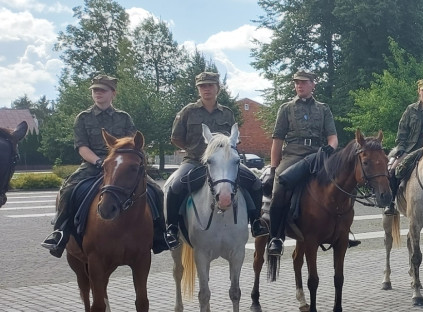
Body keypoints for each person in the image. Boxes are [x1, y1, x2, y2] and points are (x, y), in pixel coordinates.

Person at [41, 75, 172, 257]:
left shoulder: (123, 117)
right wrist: (98, 161)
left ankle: (160, 234)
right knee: (68, 189)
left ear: (113, 93)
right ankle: (60, 233)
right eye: (95, 90)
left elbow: (134, 144)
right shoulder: (83, 118)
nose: (98, 93)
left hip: (122, 166)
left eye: (102, 90)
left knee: (155, 190)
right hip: (93, 164)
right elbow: (82, 147)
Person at [164, 72, 268, 246]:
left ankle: (256, 222)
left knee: (255, 183)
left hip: (224, 164)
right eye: (202, 86)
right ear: (198, 89)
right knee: (175, 187)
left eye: (210, 85)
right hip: (195, 162)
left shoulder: (227, 113)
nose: (207, 89)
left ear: (217, 88)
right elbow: (176, 137)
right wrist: (192, 150)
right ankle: (172, 228)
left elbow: (233, 139)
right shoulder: (188, 111)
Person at [266, 70, 339, 256]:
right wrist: (274, 168)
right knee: (280, 188)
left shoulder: (323, 109)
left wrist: (330, 148)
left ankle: (342, 230)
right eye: (297, 82)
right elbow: (277, 141)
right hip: (292, 155)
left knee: (341, 184)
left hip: (318, 155)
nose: (300, 85)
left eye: (304, 82)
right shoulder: (286, 108)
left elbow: (333, 137)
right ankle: (276, 237)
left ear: (313, 85)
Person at [384, 78, 423, 216]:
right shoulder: (410, 110)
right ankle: (391, 203)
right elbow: (402, 132)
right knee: (393, 170)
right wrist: (400, 147)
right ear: (419, 91)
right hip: (410, 150)